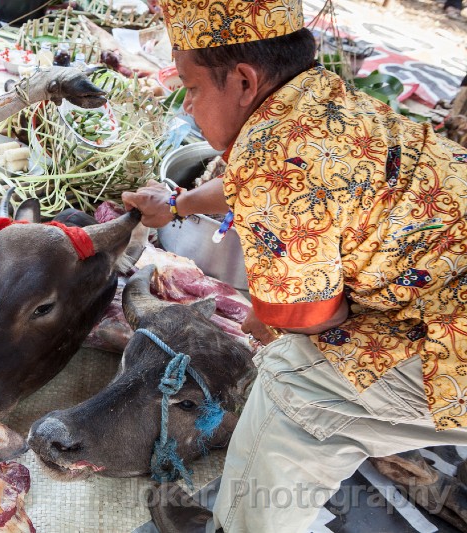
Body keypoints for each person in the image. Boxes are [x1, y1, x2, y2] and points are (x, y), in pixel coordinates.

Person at [122, 0, 467, 530]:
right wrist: (177, 205)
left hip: (454, 334)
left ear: (241, 79)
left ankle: (244, 520)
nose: (187, 107)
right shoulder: (314, 96)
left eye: (191, 88)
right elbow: (254, 181)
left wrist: (267, 319)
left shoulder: (273, 150)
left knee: (294, 380)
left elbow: (306, 316)